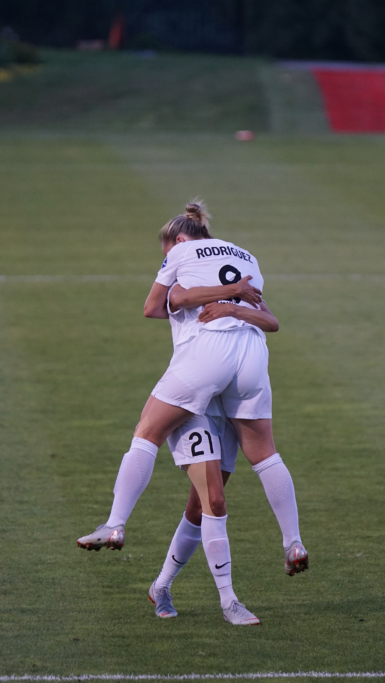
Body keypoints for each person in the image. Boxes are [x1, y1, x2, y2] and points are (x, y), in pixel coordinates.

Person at [77, 201, 307, 625]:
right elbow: (268, 319)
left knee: (189, 486)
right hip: (242, 369)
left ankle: (139, 555)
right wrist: (232, 296)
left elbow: (160, 303)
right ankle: (234, 595)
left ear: (179, 240)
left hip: (205, 372)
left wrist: (225, 299)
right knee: (215, 497)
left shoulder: (181, 253)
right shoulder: (244, 257)